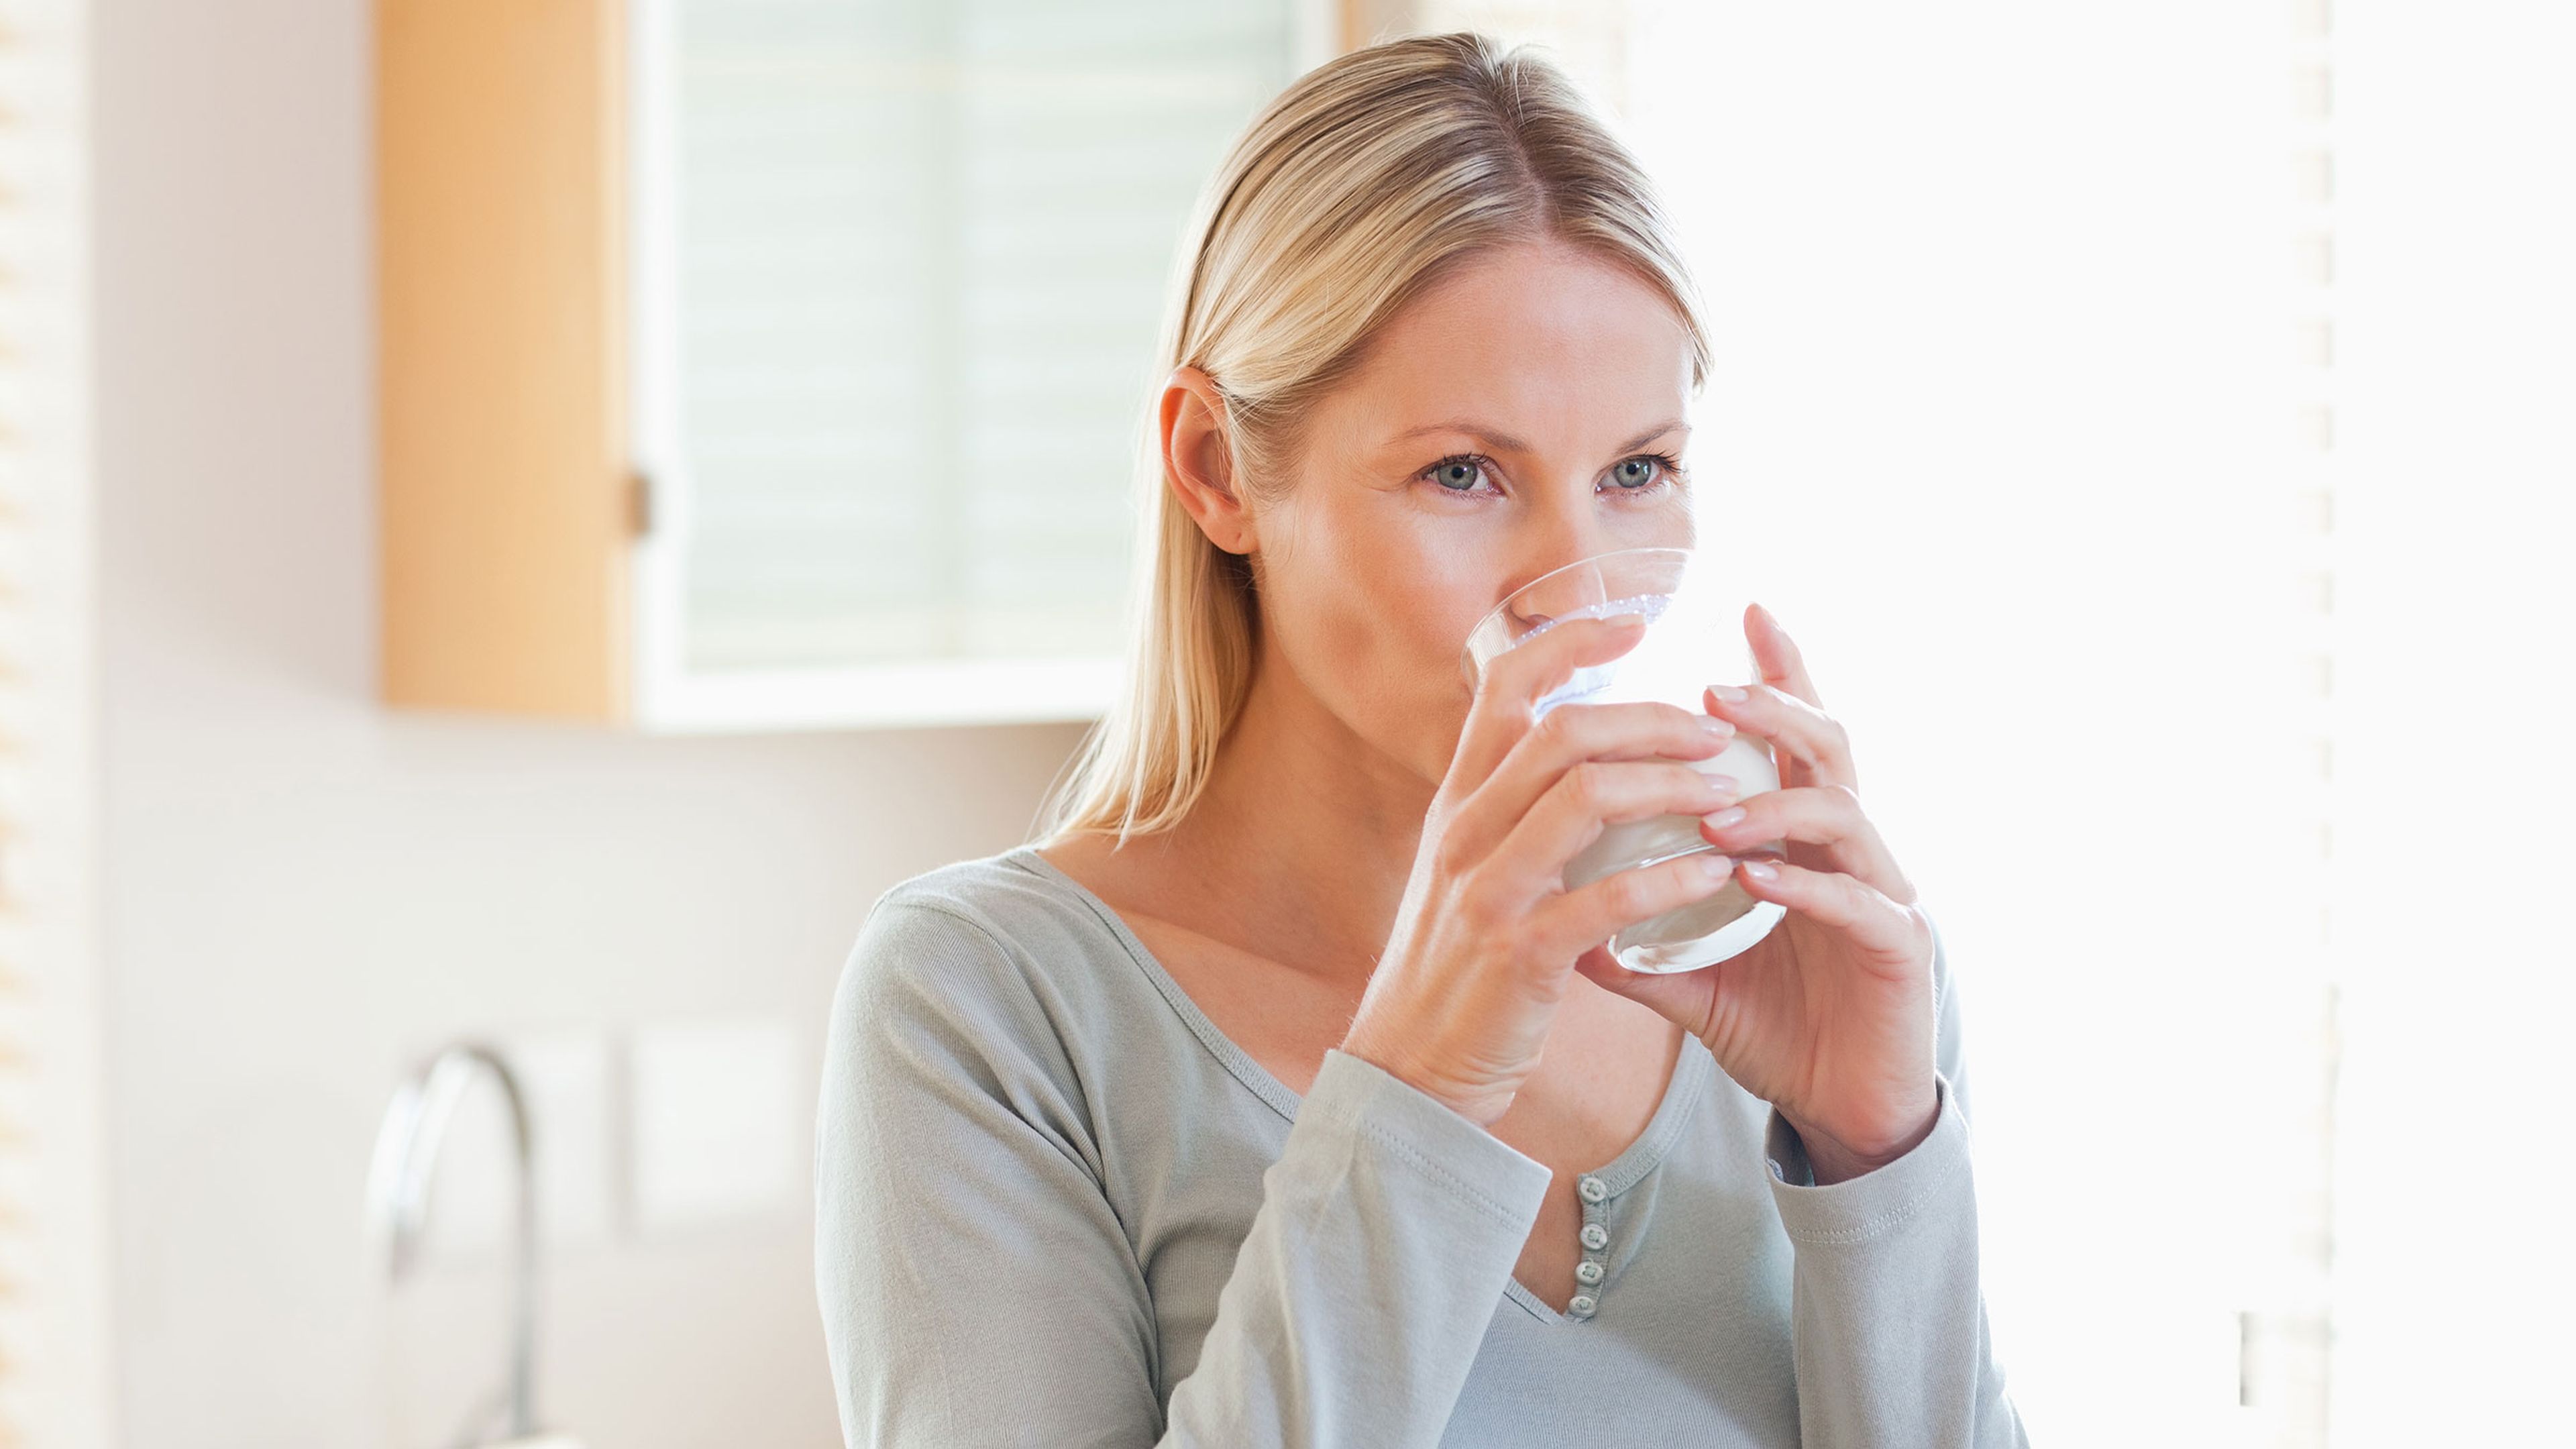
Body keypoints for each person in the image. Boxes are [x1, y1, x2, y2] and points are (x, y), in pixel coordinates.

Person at [816, 32, 2028, 1448]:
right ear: (1216, 470)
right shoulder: (989, 1010)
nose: (1584, 595)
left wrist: (1879, 1160)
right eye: (1464, 473)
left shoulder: (1805, 976)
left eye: (1638, 471)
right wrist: (1422, 1087)